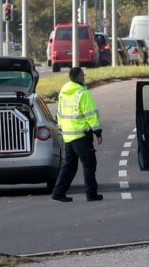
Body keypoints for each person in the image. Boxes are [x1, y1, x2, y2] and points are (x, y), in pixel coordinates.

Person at [51, 67, 103, 202]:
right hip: (81, 135)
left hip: (68, 135)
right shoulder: (83, 93)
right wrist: (98, 132)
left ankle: (58, 192)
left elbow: (59, 113)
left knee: (69, 165)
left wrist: (61, 129)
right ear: (80, 77)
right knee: (89, 164)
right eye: (83, 75)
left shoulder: (63, 92)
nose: (84, 77)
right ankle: (91, 194)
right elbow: (90, 114)